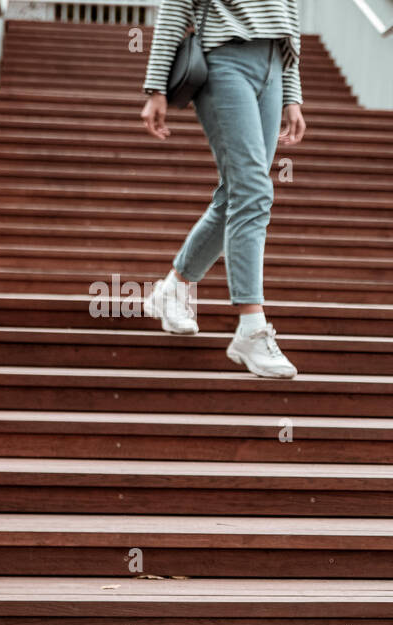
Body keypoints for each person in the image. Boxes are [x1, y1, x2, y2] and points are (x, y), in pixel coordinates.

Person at [138, 0, 305, 379]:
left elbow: (288, 18)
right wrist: (155, 86)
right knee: (253, 191)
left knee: (239, 192)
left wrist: (293, 93)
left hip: (273, 66)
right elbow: (176, 6)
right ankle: (251, 326)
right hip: (224, 60)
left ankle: (173, 290)